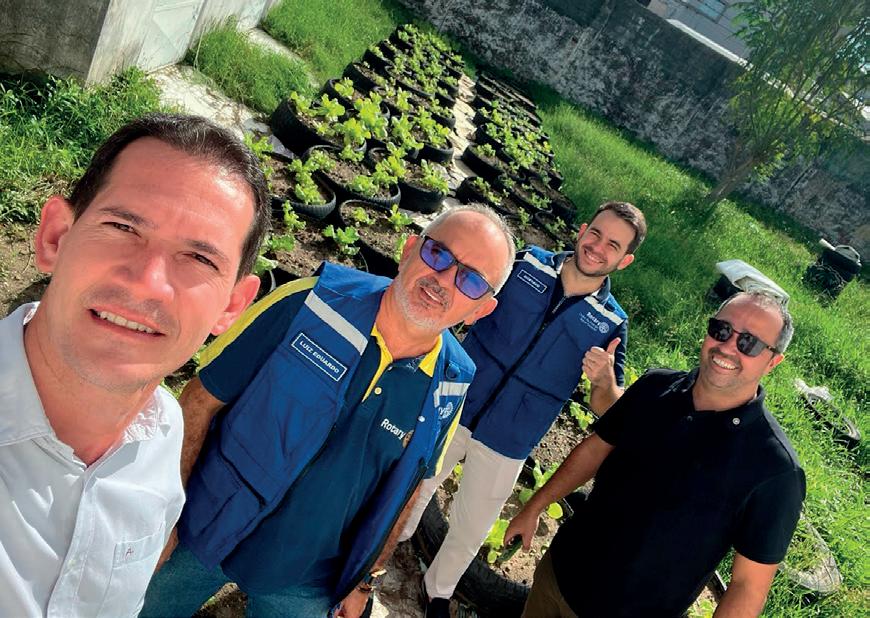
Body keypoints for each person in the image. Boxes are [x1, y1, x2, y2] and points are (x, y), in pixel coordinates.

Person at [140, 205, 516, 618]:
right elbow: (200, 399)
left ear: (481, 310)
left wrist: (366, 578)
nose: (443, 279)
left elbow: (406, 491)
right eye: (438, 254)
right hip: (201, 526)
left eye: (471, 280)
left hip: (307, 578)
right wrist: (164, 513)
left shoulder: (451, 384)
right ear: (409, 249)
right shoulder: (312, 303)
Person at [0, 113, 270, 617]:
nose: (149, 282)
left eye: (199, 259)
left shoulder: (165, 434)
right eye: (123, 227)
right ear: (55, 237)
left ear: (232, 307)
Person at [399, 201, 646, 617]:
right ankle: (384, 550)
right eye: (596, 234)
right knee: (414, 485)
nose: (598, 247)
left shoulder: (610, 321)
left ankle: (437, 590)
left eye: (613, 245)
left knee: (472, 527)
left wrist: (605, 382)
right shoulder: (526, 262)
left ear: (625, 261)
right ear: (582, 230)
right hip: (457, 401)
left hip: (511, 438)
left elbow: (607, 408)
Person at [506, 291, 805, 617]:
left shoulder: (775, 469)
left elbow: (748, 586)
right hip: (558, 575)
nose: (728, 346)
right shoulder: (655, 387)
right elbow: (595, 449)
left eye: (749, 343)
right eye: (721, 330)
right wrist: (535, 506)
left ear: (773, 361)